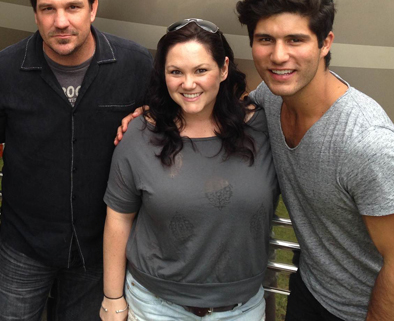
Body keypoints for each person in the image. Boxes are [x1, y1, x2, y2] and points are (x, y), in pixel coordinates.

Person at [0, 0, 153, 321]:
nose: (61, 21)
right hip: (23, 245)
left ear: (93, 8)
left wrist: (149, 115)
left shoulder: (134, 64)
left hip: (98, 247)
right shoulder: (3, 70)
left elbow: (168, 122)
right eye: (48, 9)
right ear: (35, 13)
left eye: (73, 6)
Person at [235, 0, 394, 321]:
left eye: (295, 39)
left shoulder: (367, 143)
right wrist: (155, 116)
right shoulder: (272, 96)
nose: (278, 56)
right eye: (265, 39)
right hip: (308, 287)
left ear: (325, 43)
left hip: (361, 309)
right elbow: (232, 105)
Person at [101, 19, 279, 320]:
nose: (188, 83)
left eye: (200, 70)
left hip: (241, 310)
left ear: (223, 69)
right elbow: (119, 217)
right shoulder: (140, 136)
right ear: (163, 75)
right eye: (175, 72)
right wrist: (112, 298)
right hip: (155, 308)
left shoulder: (265, 127)